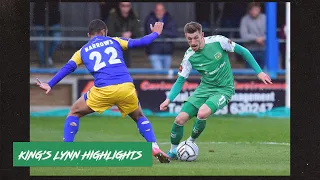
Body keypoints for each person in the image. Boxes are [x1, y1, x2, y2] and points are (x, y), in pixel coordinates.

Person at [35, 19, 170, 163]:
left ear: (89, 35)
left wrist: (50, 84)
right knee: (139, 116)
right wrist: (155, 33)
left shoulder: (82, 51)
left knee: (74, 112)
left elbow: (67, 68)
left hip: (103, 90)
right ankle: (154, 146)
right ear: (103, 32)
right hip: (126, 86)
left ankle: (68, 151)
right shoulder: (115, 41)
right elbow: (142, 42)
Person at [159, 22, 272, 160]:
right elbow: (180, 80)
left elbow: (244, 51)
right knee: (179, 119)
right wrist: (169, 99)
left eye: (195, 37)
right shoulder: (189, 56)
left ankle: (189, 143)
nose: (193, 42)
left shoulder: (219, 41)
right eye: (189, 39)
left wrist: (259, 72)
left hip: (224, 89)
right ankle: (172, 151)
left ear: (202, 35)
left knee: (202, 113)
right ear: (185, 37)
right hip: (204, 89)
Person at [106, 2, 141, 67]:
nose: (125, 8)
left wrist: (130, 33)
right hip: (115, 47)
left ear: (130, 6)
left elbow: (138, 32)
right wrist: (122, 34)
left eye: (127, 5)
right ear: (119, 6)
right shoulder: (113, 16)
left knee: (128, 67)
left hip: (130, 48)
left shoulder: (133, 16)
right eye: (123, 5)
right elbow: (110, 32)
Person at [144, 3, 178, 70]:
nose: (159, 12)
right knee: (158, 74)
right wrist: (165, 33)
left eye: (161, 10)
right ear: (154, 11)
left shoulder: (170, 19)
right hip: (154, 52)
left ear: (164, 11)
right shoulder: (149, 20)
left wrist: (160, 32)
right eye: (158, 10)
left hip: (167, 52)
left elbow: (174, 33)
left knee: (166, 75)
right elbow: (150, 33)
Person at [33, 2, 61, 67]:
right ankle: (44, 62)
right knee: (40, 42)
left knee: (56, 40)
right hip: (39, 18)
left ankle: (47, 59)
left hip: (54, 18)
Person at [239, 2, 266, 69]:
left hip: (264, 50)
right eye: (252, 10)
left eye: (256, 10)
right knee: (250, 75)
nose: (254, 12)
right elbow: (244, 35)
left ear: (259, 9)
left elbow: (271, 33)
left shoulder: (265, 18)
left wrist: (263, 39)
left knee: (265, 74)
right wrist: (256, 39)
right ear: (249, 10)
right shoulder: (245, 19)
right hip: (249, 51)